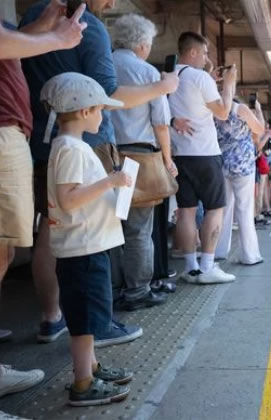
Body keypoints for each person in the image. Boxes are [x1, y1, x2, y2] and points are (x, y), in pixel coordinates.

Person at [20, 0, 178, 346]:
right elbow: (108, 93)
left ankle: (52, 317)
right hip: (88, 142)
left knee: (51, 225)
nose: (111, 3)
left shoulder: (30, 18)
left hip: (42, 139)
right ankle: (97, 323)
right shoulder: (87, 26)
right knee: (96, 230)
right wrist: (161, 87)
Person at [0, 0, 87, 400]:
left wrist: (44, 30)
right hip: (2, 133)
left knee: (4, 247)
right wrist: (56, 37)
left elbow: (8, 48)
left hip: (10, 134)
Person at [42, 72, 133, 406]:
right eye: (99, 110)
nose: (102, 116)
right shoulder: (71, 149)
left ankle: (91, 368)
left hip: (87, 245)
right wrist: (110, 182)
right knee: (84, 320)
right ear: (83, 111)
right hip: (82, 248)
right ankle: (82, 382)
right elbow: (69, 198)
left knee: (90, 315)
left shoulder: (70, 147)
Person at [110, 14, 176, 311]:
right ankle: (136, 291)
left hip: (105, 155)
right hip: (138, 158)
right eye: (148, 43)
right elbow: (161, 123)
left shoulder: (103, 65)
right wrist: (168, 159)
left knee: (110, 226)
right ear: (141, 44)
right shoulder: (147, 73)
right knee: (138, 228)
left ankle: (111, 289)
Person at [168, 31, 237, 284]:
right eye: (205, 52)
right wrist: (228, 84)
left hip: (180, 155)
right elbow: (222, 112)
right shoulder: (200, 78)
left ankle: (191, 268)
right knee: (214, 209)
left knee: (185, 212)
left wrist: (209, 79)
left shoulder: (169, 75)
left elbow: (185, 101)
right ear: (193, 52)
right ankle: (207, 266)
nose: (207, 57)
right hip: (206, 154)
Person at [214, 99, 269, 265]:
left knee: (223, 210)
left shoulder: (215, 109)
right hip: (243, 165)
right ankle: (250, 255)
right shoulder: (240, 108)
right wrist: (258, 111)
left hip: (223, 164)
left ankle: (219, 251)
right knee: (244, 210)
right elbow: (259, 130)